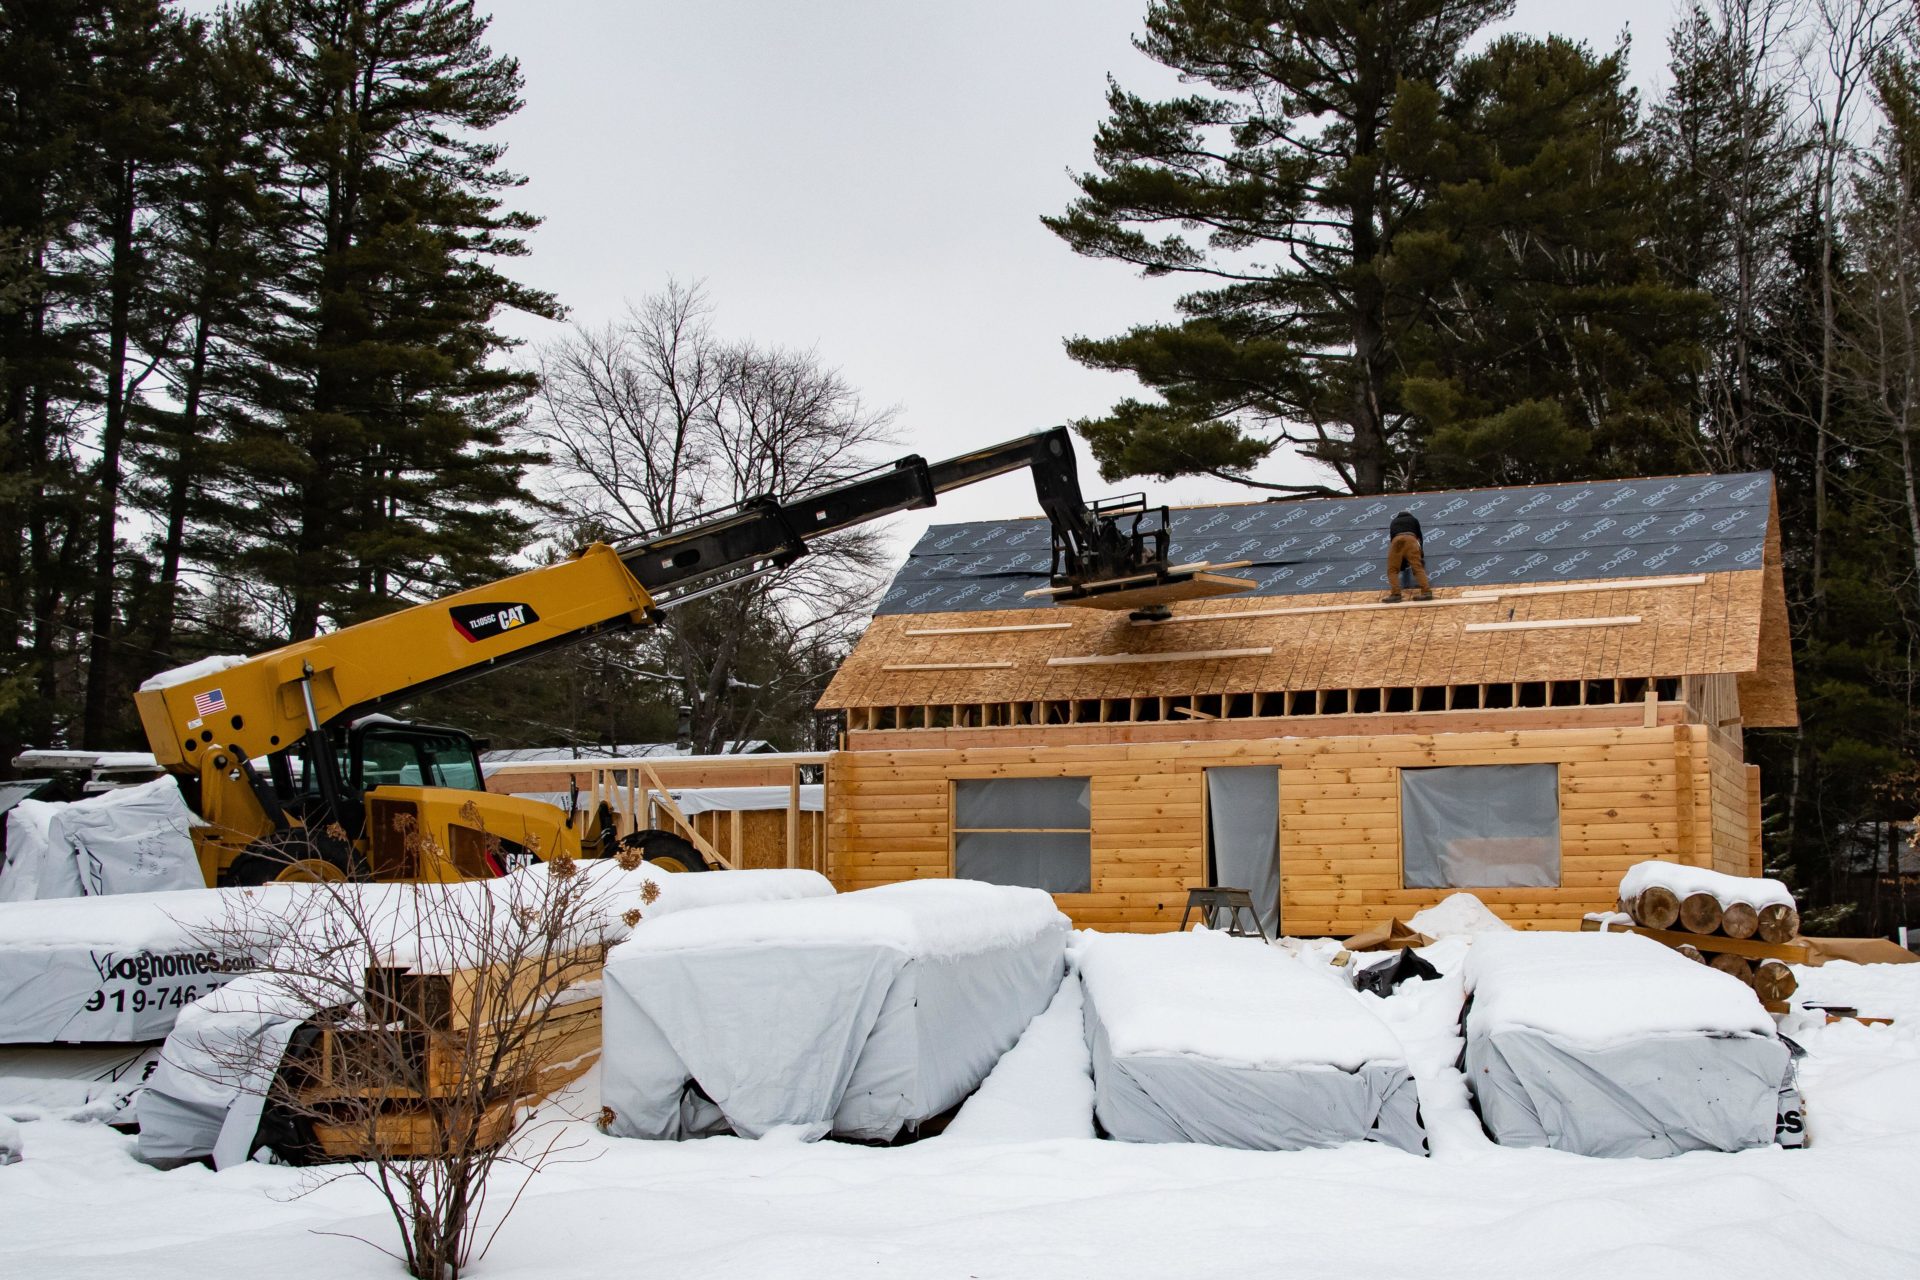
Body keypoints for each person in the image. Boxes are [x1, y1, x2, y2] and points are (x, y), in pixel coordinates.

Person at [1383, 510, 1432, 602]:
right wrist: (1421, 553)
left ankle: (1396, 594)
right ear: (1410, 514)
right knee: (1418, 568)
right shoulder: (1414, 520)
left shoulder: (1394, 521)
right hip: (1412, 539)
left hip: (1397, 540)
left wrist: (1401, 563)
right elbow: (1420, 536)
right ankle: (1426, 592)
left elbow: (1392, 538)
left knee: (1392, 569)